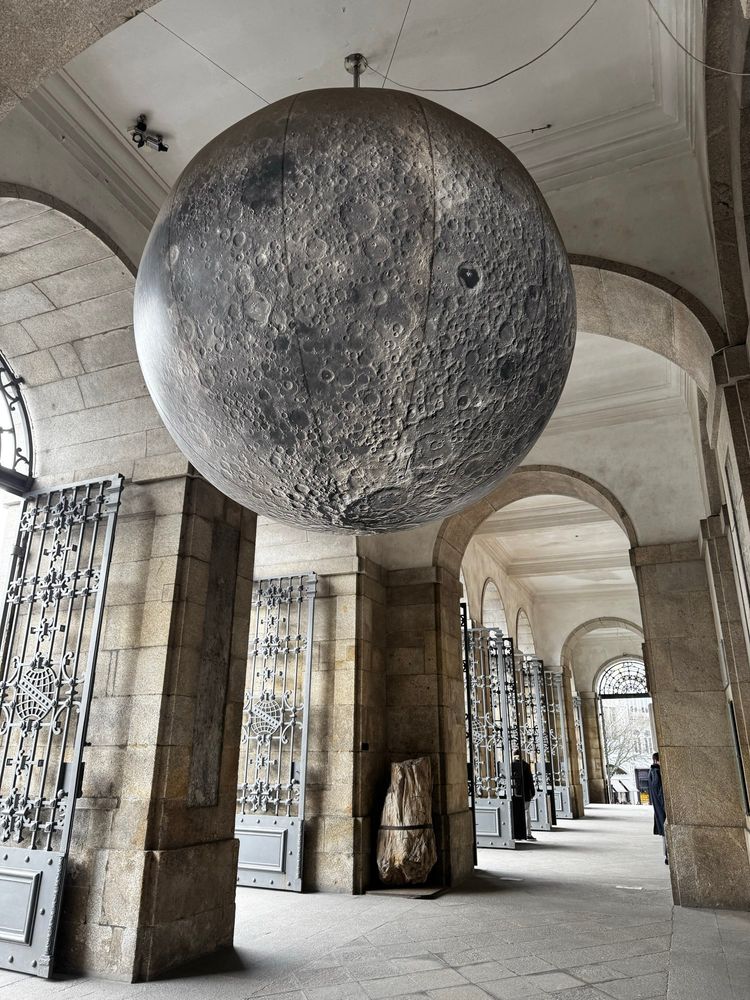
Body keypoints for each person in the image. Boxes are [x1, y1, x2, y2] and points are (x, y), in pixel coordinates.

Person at [647, 751, 668, 864]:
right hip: (662, 808)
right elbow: (660, 793)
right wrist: (667, 808)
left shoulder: (652, 772)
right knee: (666, 832)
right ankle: (668, 856)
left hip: (659, 809)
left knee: (665, 833)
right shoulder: (656, 773)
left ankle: (667, 855)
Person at [511, 755, 537, 841]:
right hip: (525, 793)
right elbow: (530, 780)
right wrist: (532, 792)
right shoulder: (525, 765)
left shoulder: (511, 765)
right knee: (526, 813)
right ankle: (528, 833)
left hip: (514, 793)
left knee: (516, 813)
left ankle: (517, 834)